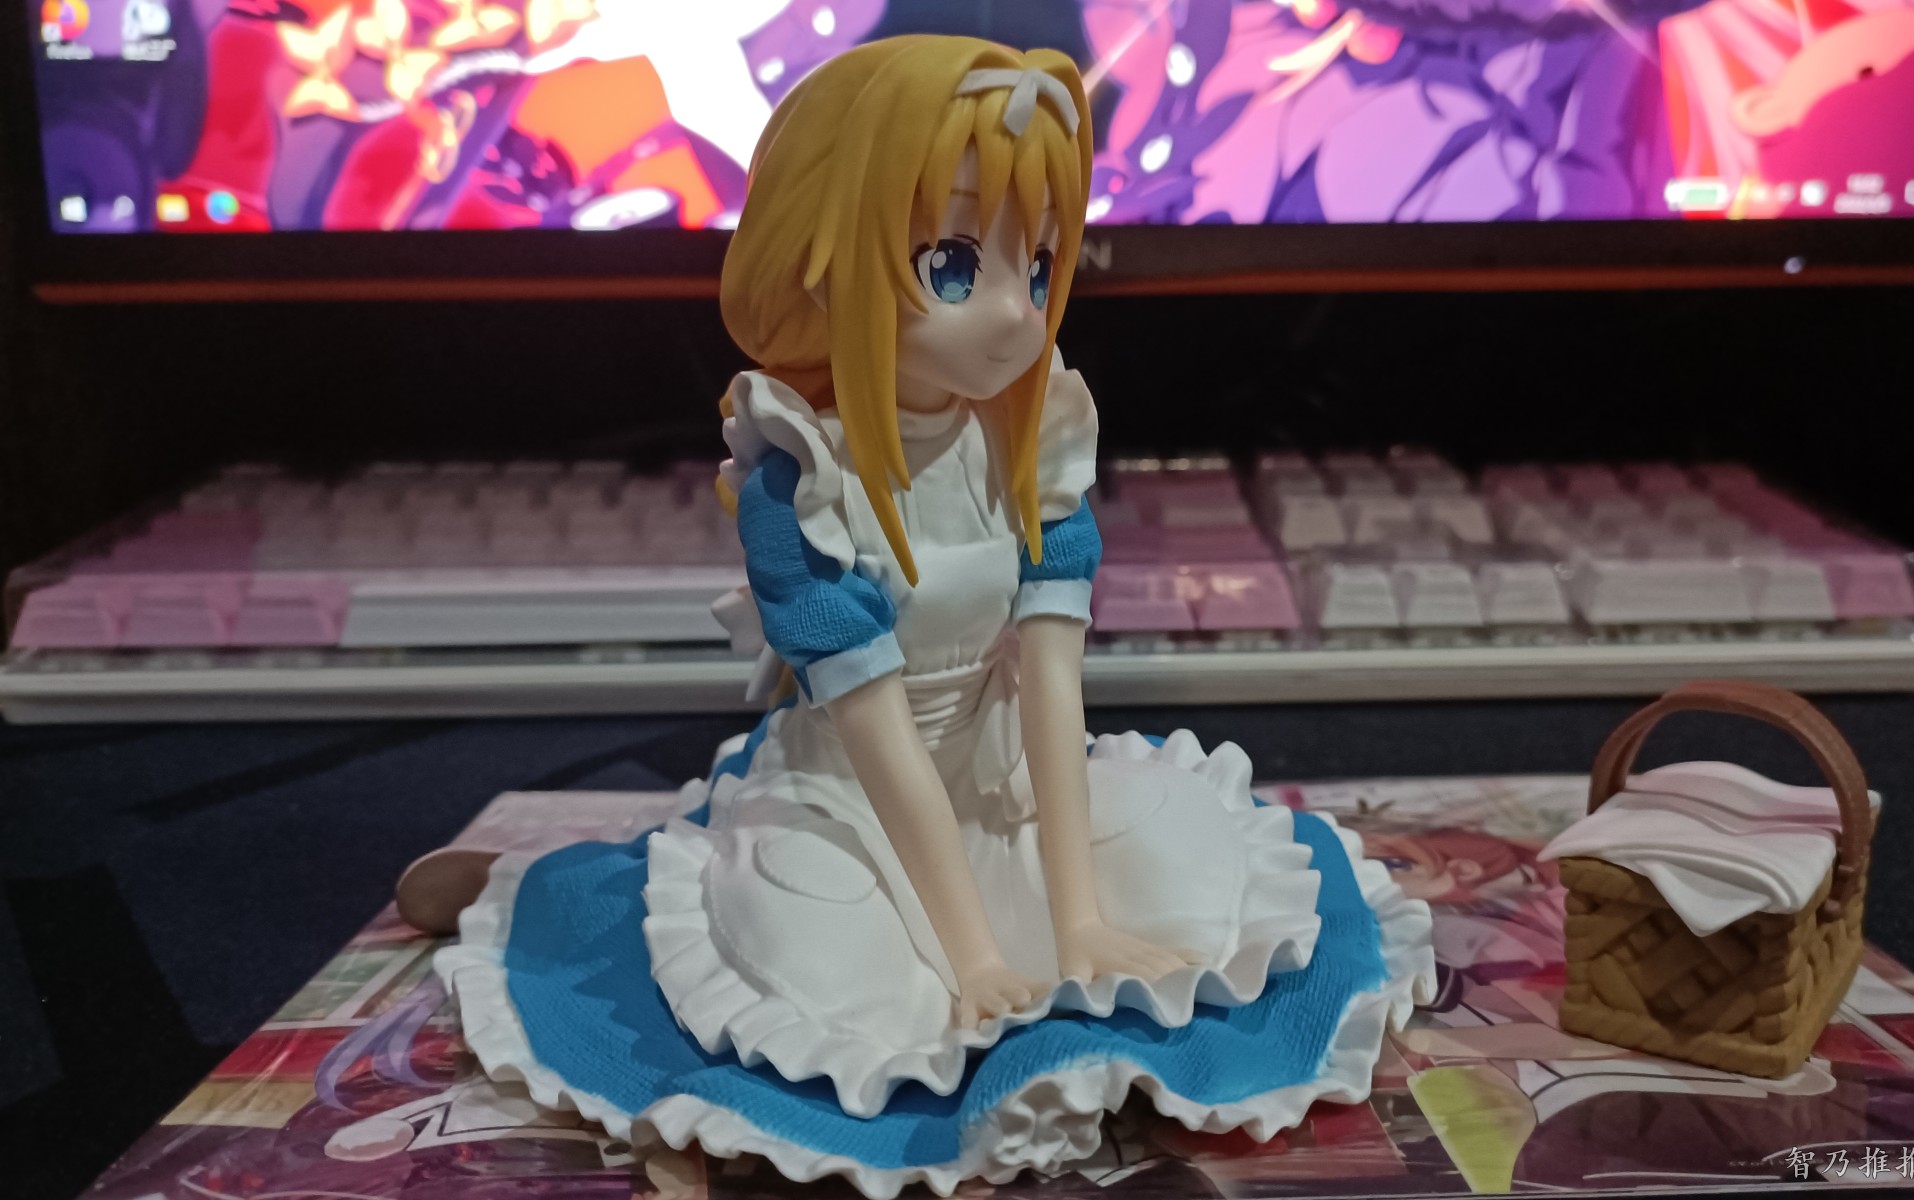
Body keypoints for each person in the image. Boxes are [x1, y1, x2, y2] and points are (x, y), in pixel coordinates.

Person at [403, 36, 1433, 1195]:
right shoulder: (806, 478)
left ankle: (1033, 920)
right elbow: (877, 730)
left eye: (1038, 268)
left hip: (996, 775)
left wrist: (1079, 921)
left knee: (1182, 871)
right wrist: (978, 954)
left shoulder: (1032, 440)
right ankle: (531, 892)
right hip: (847, 799)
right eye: (953, 263)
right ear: (818, 252)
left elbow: (1052, 681)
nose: (1013, 316)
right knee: (832, 967)